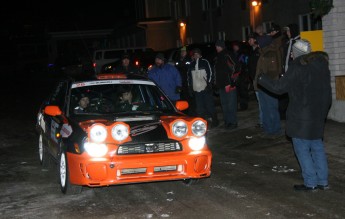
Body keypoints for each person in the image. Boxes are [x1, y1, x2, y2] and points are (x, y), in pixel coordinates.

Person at [258, 39, 332, 191]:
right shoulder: (322, 66)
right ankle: (323, 181)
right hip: (318, 115)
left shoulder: (297, 67)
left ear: (296, 53)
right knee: (317, 147)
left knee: (303, 149)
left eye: (292, 52)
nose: (291, 55)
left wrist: (261, 78)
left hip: (301, 117)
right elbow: (327, 93)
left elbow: (279, 88)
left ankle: (311, 183)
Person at [254, 22, 284, 138]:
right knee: (265, 108)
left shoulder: (271, 53)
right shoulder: (263, 53)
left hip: (269, 85)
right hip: (263, 85)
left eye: (259, 44)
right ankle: (268, 128)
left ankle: (275, 129)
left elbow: (273, 70)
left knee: (271, 107)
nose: (258, 46)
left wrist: (264, 80)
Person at [187, 48, 218, 128]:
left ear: (200, 55)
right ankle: (203, 124)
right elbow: (189, 77)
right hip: (196, 90)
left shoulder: (205, 62)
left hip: (205, 89)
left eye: (197, 54)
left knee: (209, 106)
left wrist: (208, 84)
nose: (196, 55)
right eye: (195, 54)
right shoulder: (191, 64)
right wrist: (190, 87)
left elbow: (210, 73)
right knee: (199, 109)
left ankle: (215, 121)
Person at [214, 40, 239, 129]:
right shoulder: (217, 57)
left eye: (218, 46)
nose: (216, 48)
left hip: (229, 84)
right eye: (216, 46)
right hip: (221, 85)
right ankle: (227, 121)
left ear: (222, 46)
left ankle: (233, 122)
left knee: (231, 104)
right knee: (224, 105)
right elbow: (216, 72)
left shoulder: (227, 55)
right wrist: (215, 84)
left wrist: (232, 80)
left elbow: (236, 67)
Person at [247, 32, 263, 128]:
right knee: (259, 100)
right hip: (254, 78)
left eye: (251, 39)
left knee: (261, 101)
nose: (249, 41)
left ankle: (262, 121)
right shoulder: (252, 51)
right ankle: (262, 120)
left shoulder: (259, 50)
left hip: (259, 79)